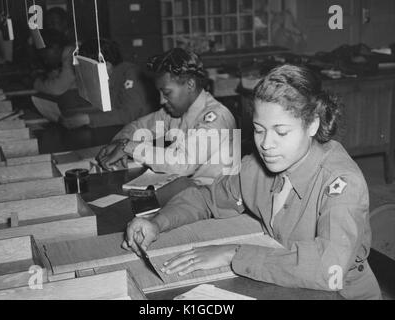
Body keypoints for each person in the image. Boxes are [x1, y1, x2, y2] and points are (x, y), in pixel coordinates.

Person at [122, 64, 382, 300]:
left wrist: (234, 253)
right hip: (286, 285)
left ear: (312, 124)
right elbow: (206, 198)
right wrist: (157, 222)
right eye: (259, 130)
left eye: (281, 132)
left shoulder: (341, 182)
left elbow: (329, 269)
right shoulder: (257, 166)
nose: (266, 144)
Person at [97, 48, 239, 185]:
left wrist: (128, 147)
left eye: (166, 93)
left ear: (190, 85)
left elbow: (183, 163)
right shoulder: (175, 112)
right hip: (189, 190)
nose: (161, 101)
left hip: (215, 199)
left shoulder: (215, 118)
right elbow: (139, 126)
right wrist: (119, 142)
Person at [60, 38, 159, 129]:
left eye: (87, 69)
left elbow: (129, 114)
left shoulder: (130, 75)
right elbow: (112, 109)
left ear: (106, 66)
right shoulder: (112, 78)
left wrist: (87, 119)